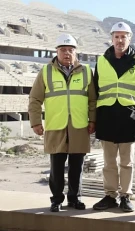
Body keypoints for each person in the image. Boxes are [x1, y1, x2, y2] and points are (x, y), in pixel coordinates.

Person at [28, 33, 96, 212]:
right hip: (55, 125)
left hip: (79, 126)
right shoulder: (46, 72)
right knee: (56, 167)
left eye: (71, 50)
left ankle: (75, 198)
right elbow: (35, 99)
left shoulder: (87, 71)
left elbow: (92, 100)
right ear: (56, 52)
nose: (67, 53)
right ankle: (56, 199)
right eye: (63, 50)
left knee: (77, 167)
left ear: (76, 53)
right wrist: (35, 122)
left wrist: (93, 120)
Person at [92, 22, 135, 212]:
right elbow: (95, 90)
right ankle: (109, 196)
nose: (120, 40)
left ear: (129, 39)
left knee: (127, 162)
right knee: (108, 162)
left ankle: (125, 196)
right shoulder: (101, 61)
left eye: (124, 36)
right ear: (111, 38)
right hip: (107, 118)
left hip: (129, 119)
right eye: (117, 36)